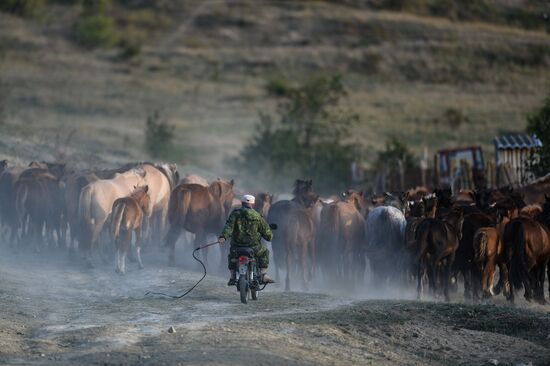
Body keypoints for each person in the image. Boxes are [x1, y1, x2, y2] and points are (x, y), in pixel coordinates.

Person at [218, 194, 274, 286]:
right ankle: (263, 275)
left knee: (231, 257)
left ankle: (232, 277)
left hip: (237, 247)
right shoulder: (258, 216)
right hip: (254, 248)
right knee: (265, 252)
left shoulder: (235, 214)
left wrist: (223, 237)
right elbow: (268, 234)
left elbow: (228, 227)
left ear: (241, 202)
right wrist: (269, 236)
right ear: (253, 204)